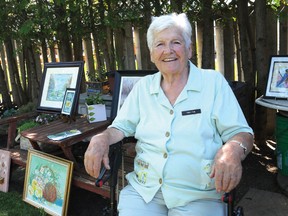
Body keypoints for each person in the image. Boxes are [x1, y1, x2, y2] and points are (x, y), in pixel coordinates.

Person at [84, 13, 254, 216]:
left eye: (176, 42)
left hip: (200, 195)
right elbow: (120, 127)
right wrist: (101, 138)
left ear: (189, 49)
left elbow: (242, 133)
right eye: (160, 44)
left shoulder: (213, 83)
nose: (168, 50)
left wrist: (233, 150)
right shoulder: (143, 88)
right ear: (151, 54)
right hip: (145, 191)